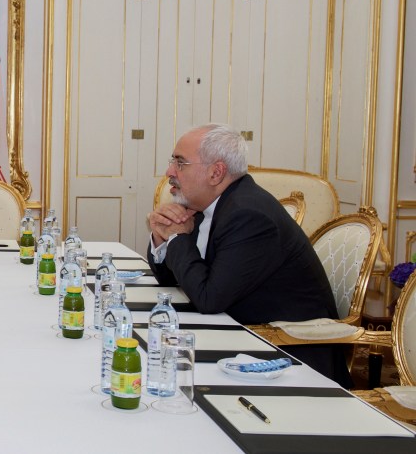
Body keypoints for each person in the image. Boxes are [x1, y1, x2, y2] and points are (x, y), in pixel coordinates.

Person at [146, 123, 351, 388]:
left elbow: (209, 299)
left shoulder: (248, 215)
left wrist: (178, 237)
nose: (169, 172)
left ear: (216, 173)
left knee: (165, 374)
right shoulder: (207, 205)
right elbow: (171, 280)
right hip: (242, 335)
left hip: (286, 358)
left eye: (180, 163)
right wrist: (163, 237)